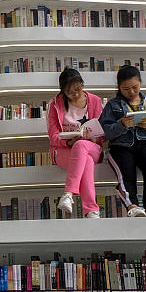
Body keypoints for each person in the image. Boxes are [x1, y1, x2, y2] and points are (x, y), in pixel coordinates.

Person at [100, 65, 146, 217]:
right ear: (119, 87)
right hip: (121, 145)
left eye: (135, 87)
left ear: (140, 83)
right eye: (126, 89)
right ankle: (132, 206)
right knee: (126, 168)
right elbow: (103, 133)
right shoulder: (113, 105)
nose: (131, 92)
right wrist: (121, 125)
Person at [48, 68, 105, 218]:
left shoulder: (95, 101)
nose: (76, 94)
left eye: (78, 89)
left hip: (92, 147)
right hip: (64, 150)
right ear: (63, 92)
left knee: (81, 146)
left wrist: (93, 138)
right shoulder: (55, 104)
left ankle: (68, 193)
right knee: (86, 160)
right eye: (70, 92)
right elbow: (53, 137)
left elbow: (101, 134)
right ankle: (91, 211)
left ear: (82, 84)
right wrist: (69, 143)